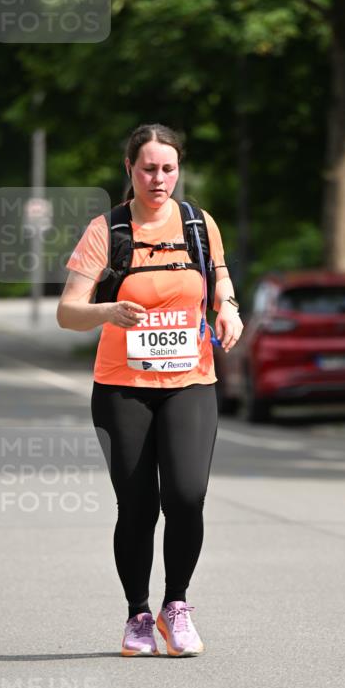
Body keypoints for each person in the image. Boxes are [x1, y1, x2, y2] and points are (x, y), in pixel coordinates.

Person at [57, 123, 243, 657]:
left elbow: (220, 278)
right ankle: (138, 614)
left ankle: (176, 606)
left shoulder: (198, 223)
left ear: (178, 169)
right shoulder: (107, 230)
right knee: (137, 508)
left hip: (191, 381)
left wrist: (227, 308)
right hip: (123, 388)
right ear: (130, 170)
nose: (158, 178)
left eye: (168, 168)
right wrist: (108, 310)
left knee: (186, 496)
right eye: (147, 168)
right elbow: (67, 312)